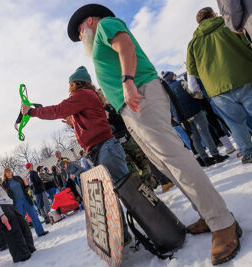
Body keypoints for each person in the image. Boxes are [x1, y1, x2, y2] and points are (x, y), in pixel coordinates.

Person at [67, 4, 240, 264]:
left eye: (79, 31)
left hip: (139, 95)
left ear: (89, 20)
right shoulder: (100, 38)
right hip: (132, 106)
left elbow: (125, 44)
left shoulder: (104, 25)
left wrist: (127, 81)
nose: (80, 37)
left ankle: (223, 223)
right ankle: (207, 213)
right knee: (166, 165)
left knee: (175, 161)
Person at [21, 66, 131, 244]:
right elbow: (91, 124)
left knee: (126, 192)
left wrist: (32, 112)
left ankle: (154, 224)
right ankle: (124, 235)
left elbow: (58, 110)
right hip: (101, 150)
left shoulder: (82, 95)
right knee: (113, 195)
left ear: (74, 83)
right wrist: (75, 125)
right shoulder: (87, 96)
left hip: (105, 149)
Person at [187, 7, 252, 164]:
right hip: (244, 76)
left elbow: (192, 70)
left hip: (217, 90)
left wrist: (209, 75)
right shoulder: (230, 25)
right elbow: (248, 42)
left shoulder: (193, 43)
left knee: (235, 123)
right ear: (213, 15)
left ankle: (248, 152)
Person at [162, 71, 229, 166]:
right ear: (173, 77)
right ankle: (216, 155)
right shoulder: (181, 83)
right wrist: (200, 97)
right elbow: (193, 93)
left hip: (182, 118)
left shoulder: (166, 93)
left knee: (195, 138)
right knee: (205, 133)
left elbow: (168, 106)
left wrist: (174, 116)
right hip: (195, 111)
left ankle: (205, 159)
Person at [0, 163, 35, 263]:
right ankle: (21, 255)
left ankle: (29, 248)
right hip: (3, 209)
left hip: (10, 207)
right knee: (14, 233)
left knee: (24, 227)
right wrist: (2, 215)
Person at [1, 168, 49, 237]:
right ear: (4, 174)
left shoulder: (17, 178)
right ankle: (25, 237)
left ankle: (40, 232)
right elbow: (6, 195)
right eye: (7, 172)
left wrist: (26, 186)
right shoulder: (4, 183)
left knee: (34, 215)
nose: (9, 172)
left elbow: (24, 187)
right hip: (16, 202)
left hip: (25, 199)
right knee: (20, 220)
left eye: (9, 171)